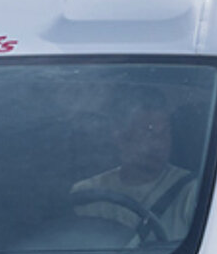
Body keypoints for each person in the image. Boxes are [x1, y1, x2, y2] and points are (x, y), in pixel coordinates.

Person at [72, 95, 197, 237]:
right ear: (120, 138)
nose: (160, 144)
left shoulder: (191, 192)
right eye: (148, 132)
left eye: (165, 132)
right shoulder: (87, 193)